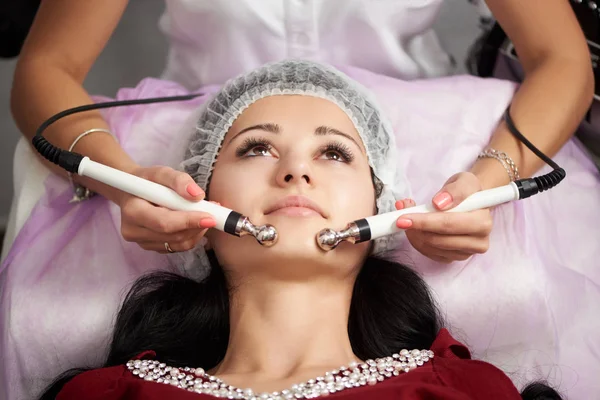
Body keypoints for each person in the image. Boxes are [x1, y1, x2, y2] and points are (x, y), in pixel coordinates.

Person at [39, 59, 560, 400]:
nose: (295, 171)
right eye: (256, 148)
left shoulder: (467, 391)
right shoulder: (103, 395)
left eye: (333, 153)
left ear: (382, 211)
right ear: (194, 200)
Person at [7, 0, 594, 264]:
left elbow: (561, 59)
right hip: (188, 152)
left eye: (330, 154)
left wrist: (490, 181)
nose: (297, 175)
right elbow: (45, 69)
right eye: (270, 151)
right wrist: (123, 179)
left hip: (435, 148)